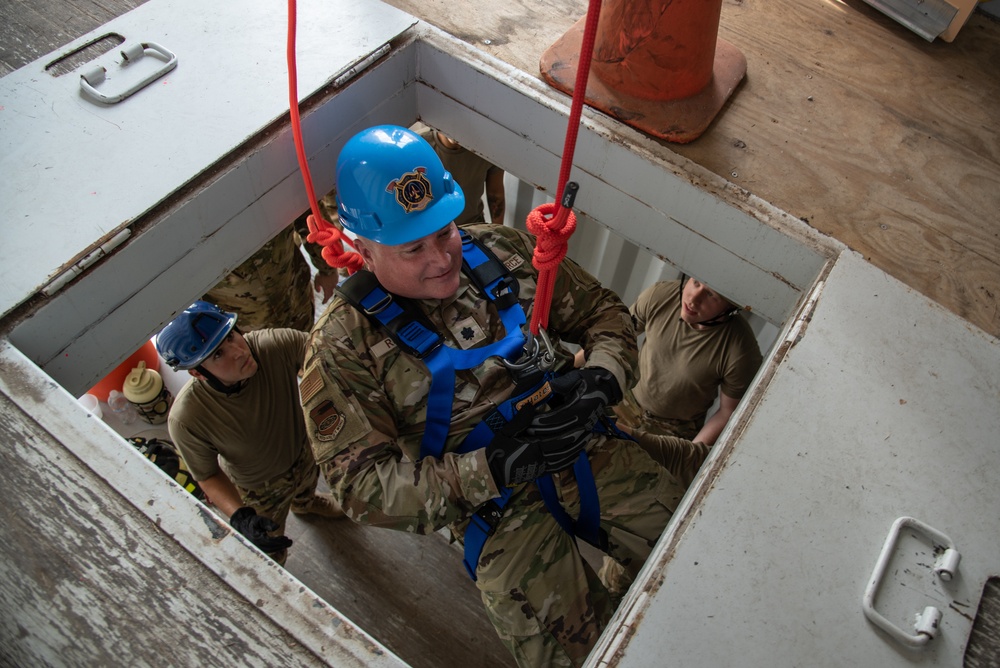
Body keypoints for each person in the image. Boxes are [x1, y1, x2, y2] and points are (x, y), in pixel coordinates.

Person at [299, 125, 683, 667]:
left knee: (689, 563)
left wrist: (602, 377)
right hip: (494, 509)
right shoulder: (342, 346)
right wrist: (491, 468)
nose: (440, 258)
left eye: (445, 231)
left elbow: (604, 313)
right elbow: (362, 488)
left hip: (579, 441)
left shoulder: (500, 251)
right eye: (413, 248)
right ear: (363, 248)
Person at [156, 301, 345, 565]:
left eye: (231, 335)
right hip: (260, 489)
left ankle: (306, 502)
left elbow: (328, 354)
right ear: (198, 373)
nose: (238, 351)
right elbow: (207, 474)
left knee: (306, 486)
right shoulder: (188, 418)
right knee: (268, 545)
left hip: (304, 452)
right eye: (218, 354)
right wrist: (241, 516)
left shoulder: (272, 346)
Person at [615, 277, 763, 446]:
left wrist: (689, 453)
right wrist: (578, 366)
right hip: (625, 398)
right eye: (696, 283)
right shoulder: (661, 296)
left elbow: (728, 411)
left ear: (730, 307)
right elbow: (617, 337)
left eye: (710, 294)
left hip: (672, 430)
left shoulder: (741, 350)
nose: (693, 299)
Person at [203, 197, 341, 332]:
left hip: (294, 293)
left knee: (305, 341)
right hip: (239, 324)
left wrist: (328, 267)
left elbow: (304, 206)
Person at [420, 127, 506, 226]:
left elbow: (495, 194)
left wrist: (497, 231)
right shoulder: (417, 147)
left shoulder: (488, 148)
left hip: (473, 228)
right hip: (433, 231)